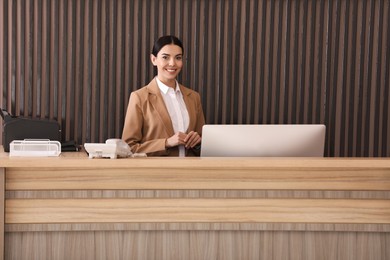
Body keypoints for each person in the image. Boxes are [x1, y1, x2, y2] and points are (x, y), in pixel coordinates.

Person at [122, 35, 205, 156]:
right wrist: (166, 143)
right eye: (165, 57)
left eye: (178, 58)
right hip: (158, 172)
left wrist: (198, 141)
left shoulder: (193, 97)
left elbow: (204, 141)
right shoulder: (139, 97)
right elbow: (128, 148)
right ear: (154, 59)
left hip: (191, 171)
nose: (172, 63)